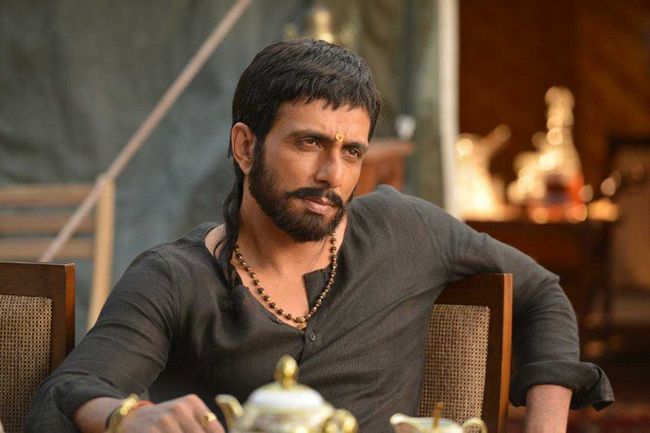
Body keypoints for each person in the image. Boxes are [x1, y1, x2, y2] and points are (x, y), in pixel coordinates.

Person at [27, 39, 613, 433]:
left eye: (351, 151)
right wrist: (127, 417)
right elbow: (66, 393)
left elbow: (542, 293)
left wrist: (544, 426)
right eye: (309, 142)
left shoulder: (407, 231)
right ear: (245, 146)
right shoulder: (175, 278)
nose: (333, 174)